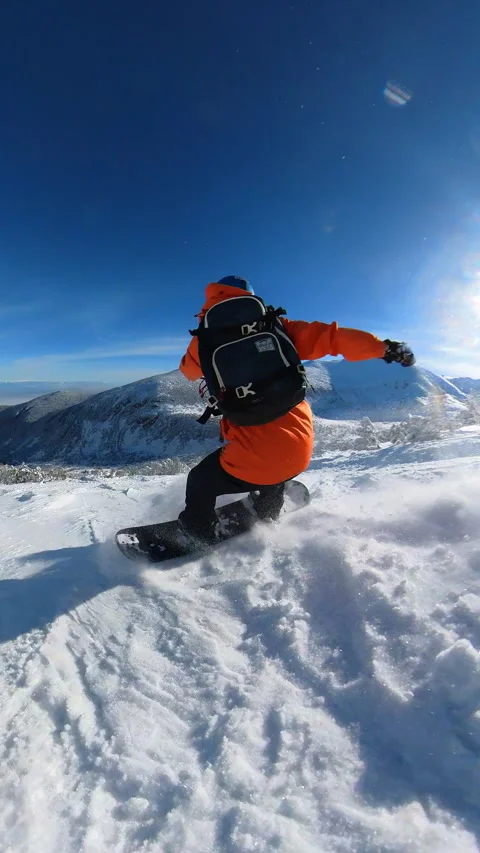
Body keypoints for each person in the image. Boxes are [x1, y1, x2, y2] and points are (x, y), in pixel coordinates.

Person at [178, 275, 415, 542]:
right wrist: (384, 348)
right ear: (251, 297)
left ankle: (197, 531)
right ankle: (268, 512)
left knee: (200, 480)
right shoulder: (277, 325)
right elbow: (333, 338)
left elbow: (187, 371)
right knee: (274, 465)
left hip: (250, 459)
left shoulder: (205, 341)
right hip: (299, 451)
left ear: (211, 300)